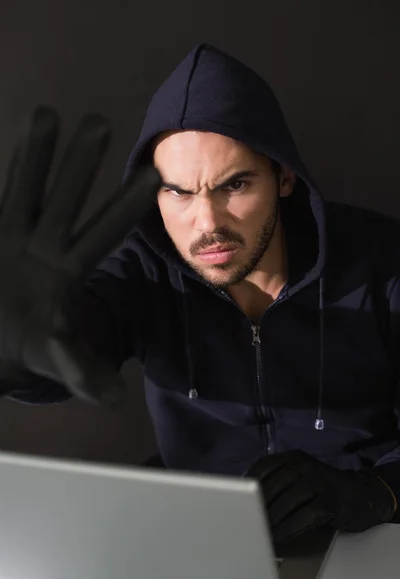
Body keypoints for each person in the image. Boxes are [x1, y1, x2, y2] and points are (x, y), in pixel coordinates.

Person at [0, 43, 399, 545]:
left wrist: (374, 491)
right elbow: (74, 340)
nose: (207, 224)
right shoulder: (144, 275)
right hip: (205, 545)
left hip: (370, 543)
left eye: (234, 185)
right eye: (179, 192)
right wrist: (12, 351)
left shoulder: (383, 265)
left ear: (284, 176)